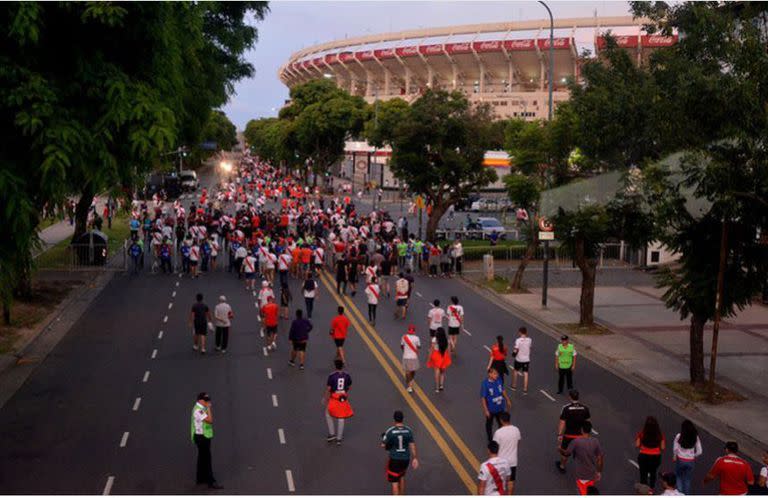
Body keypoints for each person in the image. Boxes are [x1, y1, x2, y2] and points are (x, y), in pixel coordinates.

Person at [559, 421, 604, 496]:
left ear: (582, 430)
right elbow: (600, 458)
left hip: (581, 474)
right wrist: (599, 472)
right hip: (592, 473)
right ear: (590, 430)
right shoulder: (596, 441)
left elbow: (567, 453)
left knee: (582, 492)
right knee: (590, 490)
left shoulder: (576, 441)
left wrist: (560, 449)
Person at [381, 410, 419, 495]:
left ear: (394, 419)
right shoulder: (408, 430)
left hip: (394, 459)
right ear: (403, 419)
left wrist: (384, 440)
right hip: (405, 459)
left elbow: (383, 445)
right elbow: (412, 445)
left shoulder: (390, 431)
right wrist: (415, 458)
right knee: (401, 476)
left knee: (394, 482)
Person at [190, 392, 222, 489]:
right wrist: (208, 408)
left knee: (201, 458)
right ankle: (211, 482)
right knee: (207, 459)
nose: (207, 402)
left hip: (200, 436)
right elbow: (210, 420)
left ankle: (200, 478)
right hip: (202, 437)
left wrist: (206, 407)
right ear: (200, 400)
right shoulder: (199, 410)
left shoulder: (199, 408)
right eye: (206, 401)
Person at [557, 389, 591, 473]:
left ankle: (562, 466)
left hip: (568, 435)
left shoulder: (566, 408)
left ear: (570, 397)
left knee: (565, 452)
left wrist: (560, 435)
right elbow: (588, 422)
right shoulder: (585, 408)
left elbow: (562, 422)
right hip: (580, 436)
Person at [324, 359, 353, 446]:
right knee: (341, 417)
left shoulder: (332, 376)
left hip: (334, 397)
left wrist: (325, 398)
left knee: (328, 413)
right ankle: (339, 438)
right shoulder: (347, 375)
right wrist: (345, 392)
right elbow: (349, 385)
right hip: (343, 397)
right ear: (342, 366)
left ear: (335, 366)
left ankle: (332, 433)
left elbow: (329, 389)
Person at [493, 412, 521, 495]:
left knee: (499, 482)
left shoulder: (498, 432)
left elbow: (495, 448)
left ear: (501, 420)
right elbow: (518, 442)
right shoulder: (516, 430)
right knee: (511, 482)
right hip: (513, 461)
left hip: (501, 462)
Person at [673, 419, 703, 495]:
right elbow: (699, 451)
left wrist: (675, 455)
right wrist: (693, 455)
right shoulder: (695, 437)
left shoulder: (679, 436)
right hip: (690, 461)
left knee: (678, 476)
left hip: (680, 459)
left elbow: (675, 448)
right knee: (687, 479)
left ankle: (679, 493)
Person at [481, 367, 511, 443]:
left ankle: (501, 438)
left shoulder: (499, 380)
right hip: (491, 409)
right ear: (489, 374)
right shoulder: (485, 384)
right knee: (489, 425)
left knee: (501, 423)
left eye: (497, 374)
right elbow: (483, 398)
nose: (496, 375)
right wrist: (486, 410)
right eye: (494, 374)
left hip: (500, 408)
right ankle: (490, 440)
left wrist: (507, 399)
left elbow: (503, 390)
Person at [635, 416, 665, 489]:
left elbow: (637, 445)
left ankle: (644, 489)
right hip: (655, 457)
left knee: (643, 473)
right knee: (653, 473)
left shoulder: (641, 434)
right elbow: (663, 447)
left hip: (643, 456)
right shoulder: (660, 435)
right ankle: (651, 488)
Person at [427, 327, 451, 392]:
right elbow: (448, 350)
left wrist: (429, 358)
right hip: (444, 355)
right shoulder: (446, 339)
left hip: (436, 355)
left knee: (437, 371)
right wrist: (449, 357)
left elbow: (431, 349)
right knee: (442, 371)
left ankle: (437, 388)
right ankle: (441, 385)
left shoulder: (435, 339)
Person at [400, 325, 421, 393]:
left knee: (407, 371)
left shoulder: (404, 337)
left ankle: (409, 383)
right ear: (414, 331)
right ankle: (410, 384)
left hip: (406, 356)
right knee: (413, 371)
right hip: (414, 356)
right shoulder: (417, 338)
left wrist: (405, 350)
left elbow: (402, 346)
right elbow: (419, 346)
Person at [512, 327, 532, 394]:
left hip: (519, 359)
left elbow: (516, 349)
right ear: (526, 332)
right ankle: (525, 389)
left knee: (515, 371)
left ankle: (514, 386)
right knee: (525, 373)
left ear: (520, 332)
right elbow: (529, 347)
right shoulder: (529, 340)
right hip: (526, 359)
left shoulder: (518, 340)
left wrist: (513, 354)